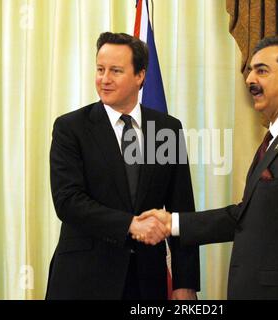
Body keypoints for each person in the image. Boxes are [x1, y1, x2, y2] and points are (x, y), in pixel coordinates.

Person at [139, 37, 278, 300]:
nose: (250, 79)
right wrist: (174, 223)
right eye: (250, 70)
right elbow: (247, 217)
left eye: (262, 70)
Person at [46, 32, 200, 300]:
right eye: (100, 69)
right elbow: (68, 201)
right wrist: (130, 224)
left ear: (140, 76)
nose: (104, 79)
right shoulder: (70, 128)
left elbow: (182, 208)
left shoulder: (167, 129)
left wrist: (184, 282)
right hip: (83, 279)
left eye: (115, 71)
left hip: (146, 280)